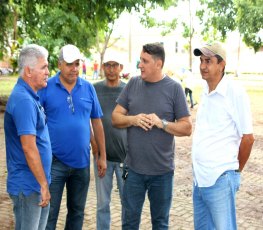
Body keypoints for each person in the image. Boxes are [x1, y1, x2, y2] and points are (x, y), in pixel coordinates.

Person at [112, 43, 192, 229]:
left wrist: (161, 123)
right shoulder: (133, 83)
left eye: (145, 61)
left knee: (160, 224)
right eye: (140, 60)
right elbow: (115, 118)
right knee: (129, 223)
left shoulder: (174, 88)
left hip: (162, 173)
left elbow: (187, 128)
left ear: (158, 64)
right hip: (133, 172)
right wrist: (133, 120)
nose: (140, 65)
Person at [38, 44, 107, 230]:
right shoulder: (46, 87)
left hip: (82, 164)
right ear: (60, 64)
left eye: (77, 64)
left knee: (77, 212)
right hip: (54, 163)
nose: (74, 68)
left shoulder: (88, 88)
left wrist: (102, 155)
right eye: (69, 64)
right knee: (50, 214)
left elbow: (97, 123)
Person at [192, 41, 255, 230]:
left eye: (208, 61)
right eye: (201, 61)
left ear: (222, 64)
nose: (203, 66)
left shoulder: (235, 92)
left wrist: (234, 172)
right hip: (200, 180)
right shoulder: (205, 91)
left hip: (220, 179)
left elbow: (248, 138)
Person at [4, 44, 52, 230]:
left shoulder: (30, 96)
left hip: (35, 184)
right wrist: (43, 184)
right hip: (29, 185)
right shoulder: (24, 100)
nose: (48, 71)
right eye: (44, 67)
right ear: (29, 71)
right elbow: (28, 147)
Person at [91, 53, 128, 230]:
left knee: (127, 203)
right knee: (102, 204)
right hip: (101, 159)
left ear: (121, 67)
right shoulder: (94, 89)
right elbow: (87, 120)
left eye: (115, 65)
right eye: (108, 65)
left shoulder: (129, 90)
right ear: (103, 67)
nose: (111, 69)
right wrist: (95, 147)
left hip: (125, 159)